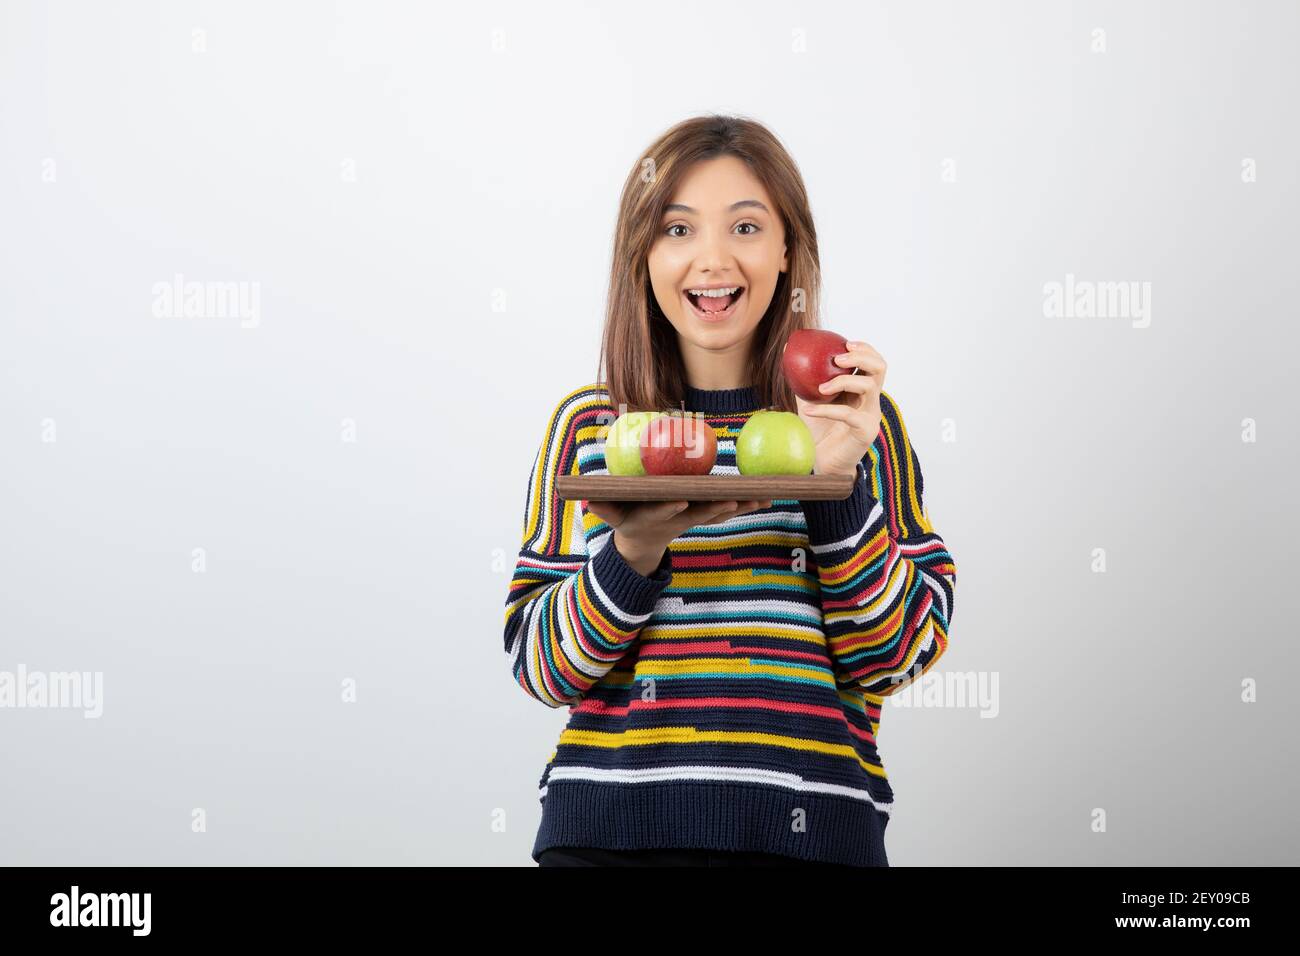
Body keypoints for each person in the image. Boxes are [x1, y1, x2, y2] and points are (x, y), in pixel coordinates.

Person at [503, 114, 957, 867]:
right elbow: (540, 665)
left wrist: (831, 478)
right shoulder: (592, 426)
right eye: (677, 231)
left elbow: (898, 655)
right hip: (609, 839)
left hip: (812, 842)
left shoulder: (858, 422)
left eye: (745, 226)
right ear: (642, 255)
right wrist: (634, 548)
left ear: (786, 249)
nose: (711, 260)